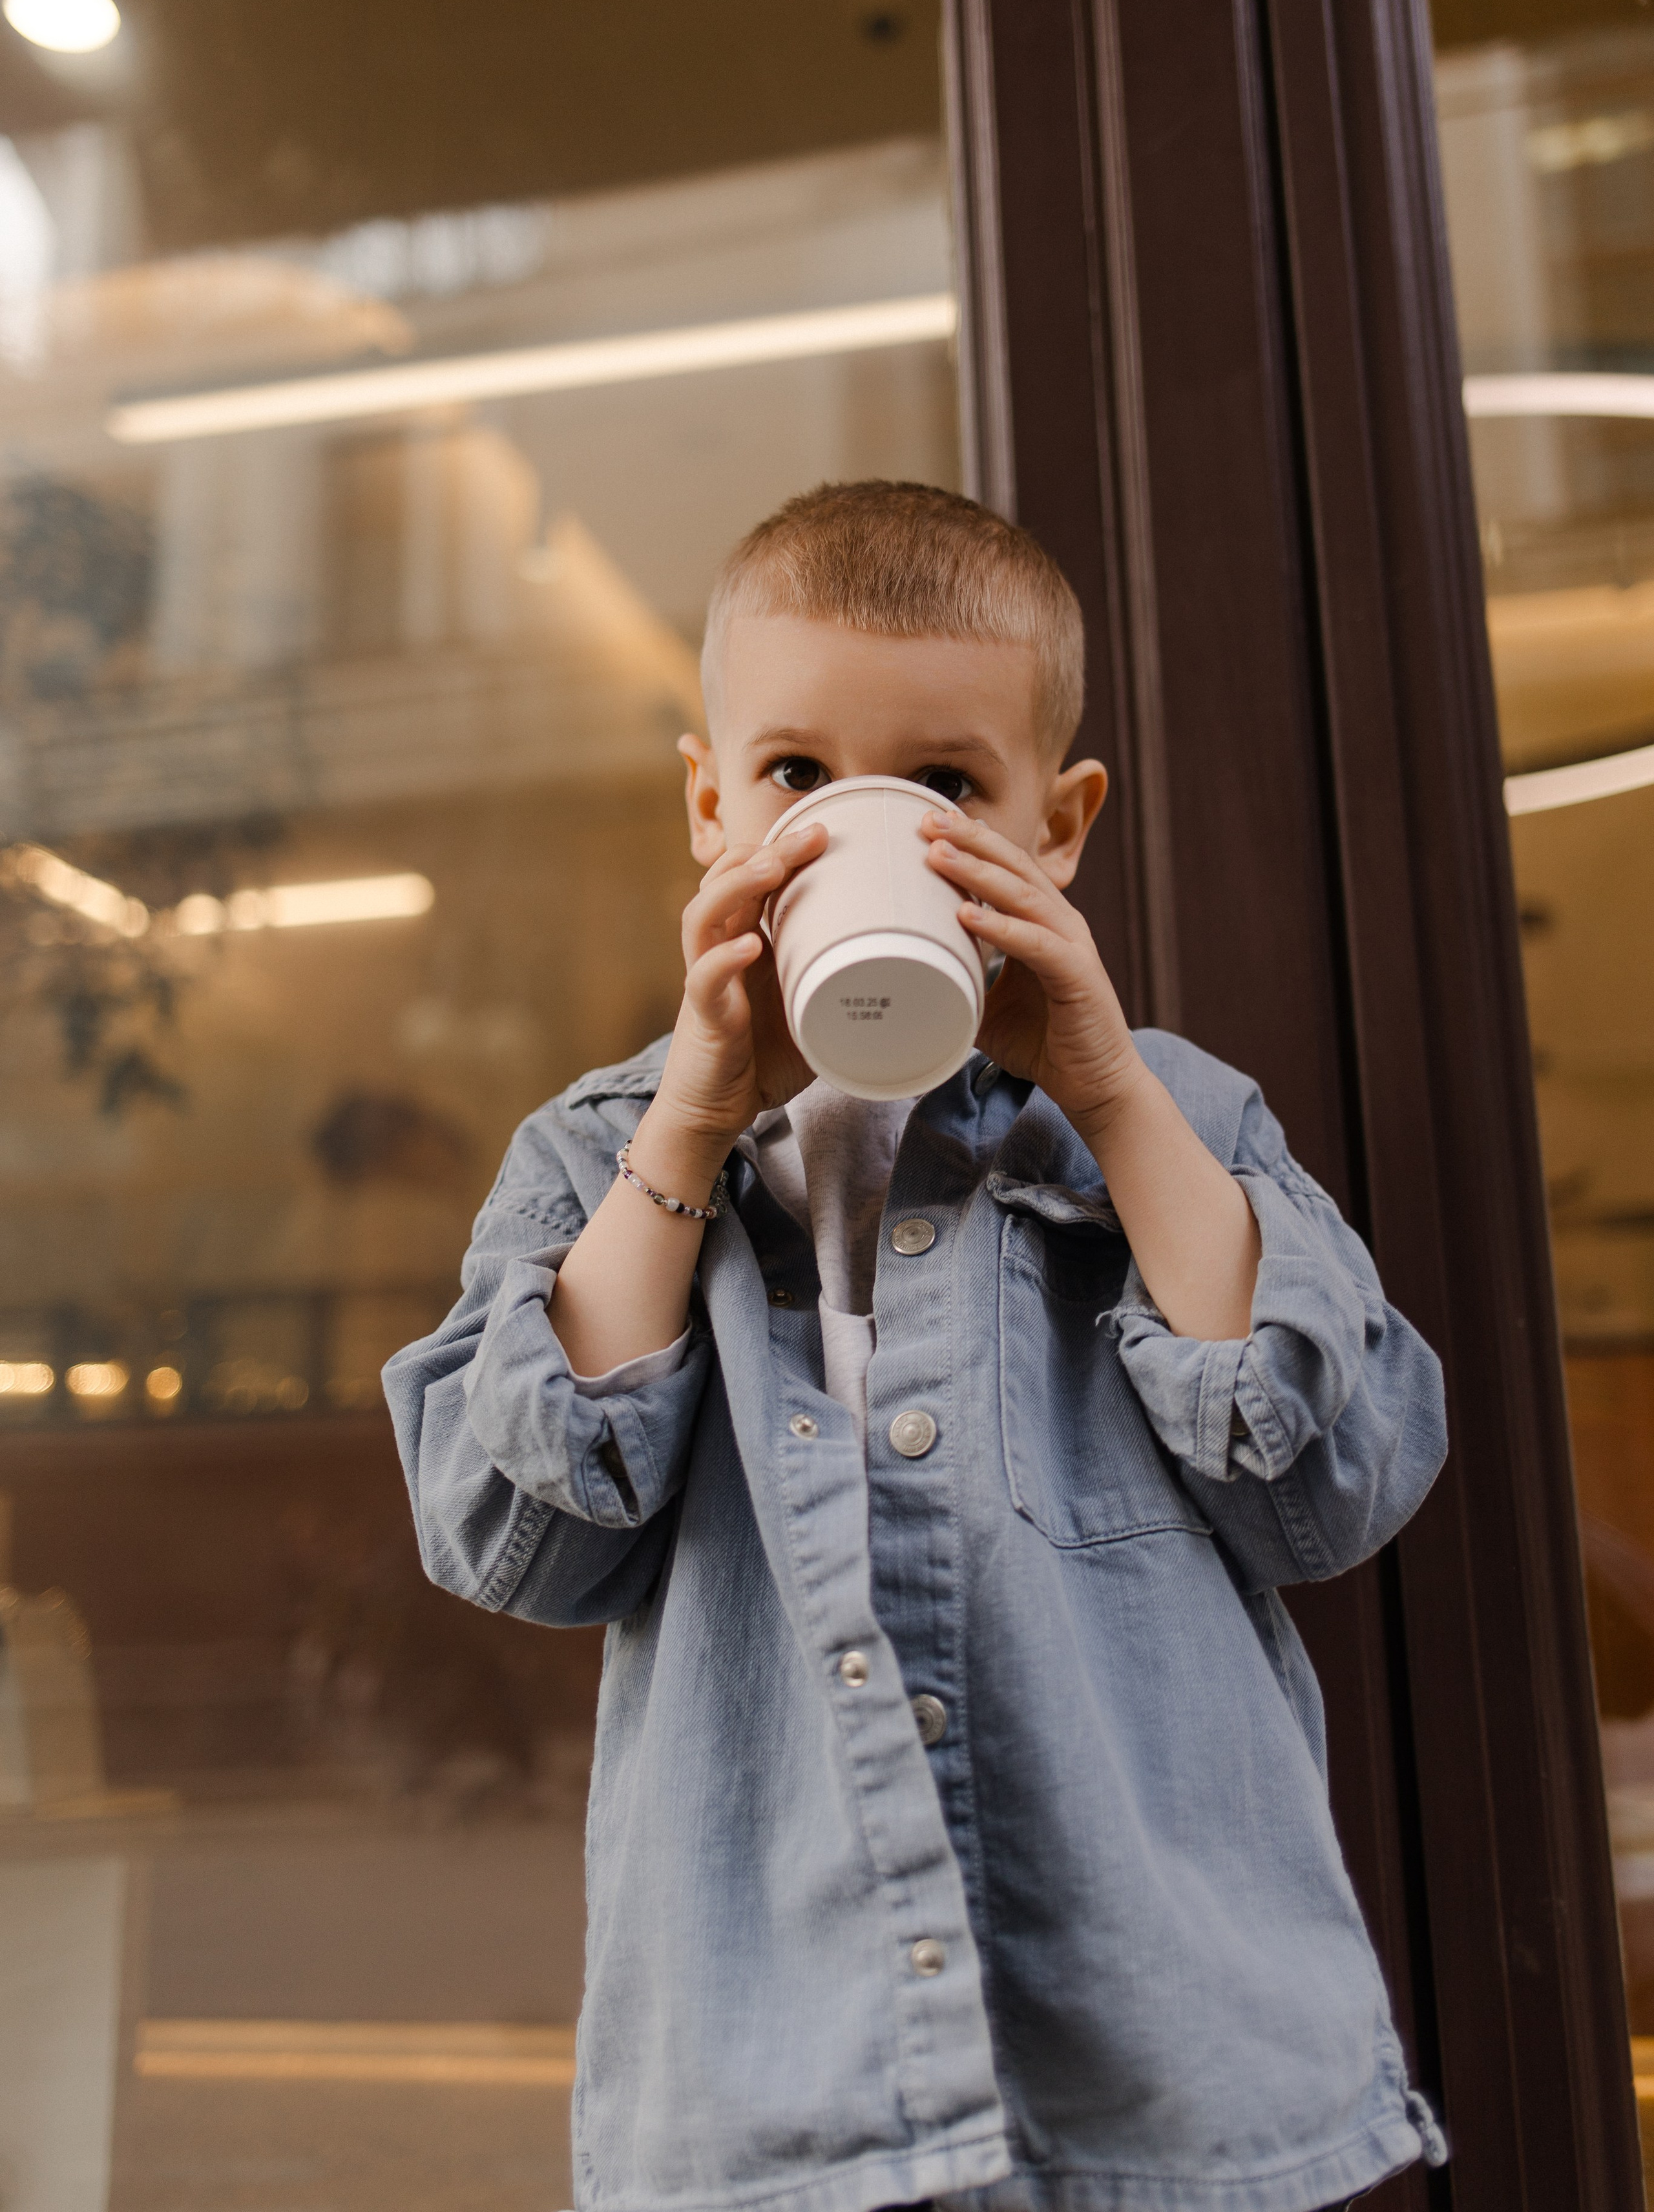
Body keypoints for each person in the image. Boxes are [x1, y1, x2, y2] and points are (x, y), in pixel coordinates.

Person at [384, 480, 1449, 2212]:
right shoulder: (605, 1154)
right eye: (796, 775)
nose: (858, 825)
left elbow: (1330, 1486)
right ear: (711, 805)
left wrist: (1108, 1088)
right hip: (781, 2096)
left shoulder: (1170, 1121)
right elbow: (521, 1533)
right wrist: (690, 1120)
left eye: (948, 786)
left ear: (1059, 825)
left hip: (1161, 2083)